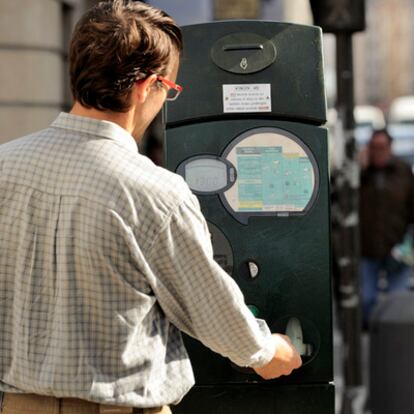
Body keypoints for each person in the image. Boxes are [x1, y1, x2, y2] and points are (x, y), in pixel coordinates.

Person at [0, 2, 301, 413]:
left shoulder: (5, 167)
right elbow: (212, 312)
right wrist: (271, 352)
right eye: (169, 90)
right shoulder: (155, 193)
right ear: (145, 86)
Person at [359, 128, 414, 328]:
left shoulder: (403, 171)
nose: (378, 152)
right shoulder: (362, 174)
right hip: (367, 249)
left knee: (397, 301)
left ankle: (394, 336)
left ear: (390, 148)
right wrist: (361, 168)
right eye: (374, 148)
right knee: (366, 299)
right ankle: (374, 336)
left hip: (398, 247)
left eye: (382, 147)